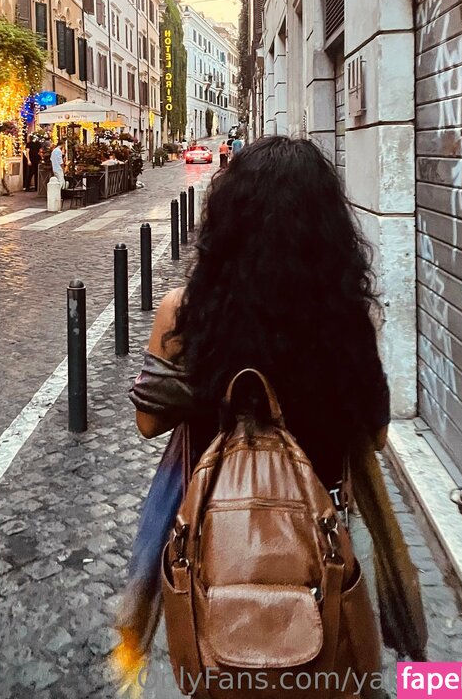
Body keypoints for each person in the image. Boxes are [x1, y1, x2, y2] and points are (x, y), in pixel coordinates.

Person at [112, 136, 426, 688]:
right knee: (327, 661)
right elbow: (375, 437)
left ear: (226, 223)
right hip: (320, 538)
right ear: (327, 229)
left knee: (219, 665)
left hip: (215, 537)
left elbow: (148, 423)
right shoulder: (344, 318)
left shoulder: (186, 312)